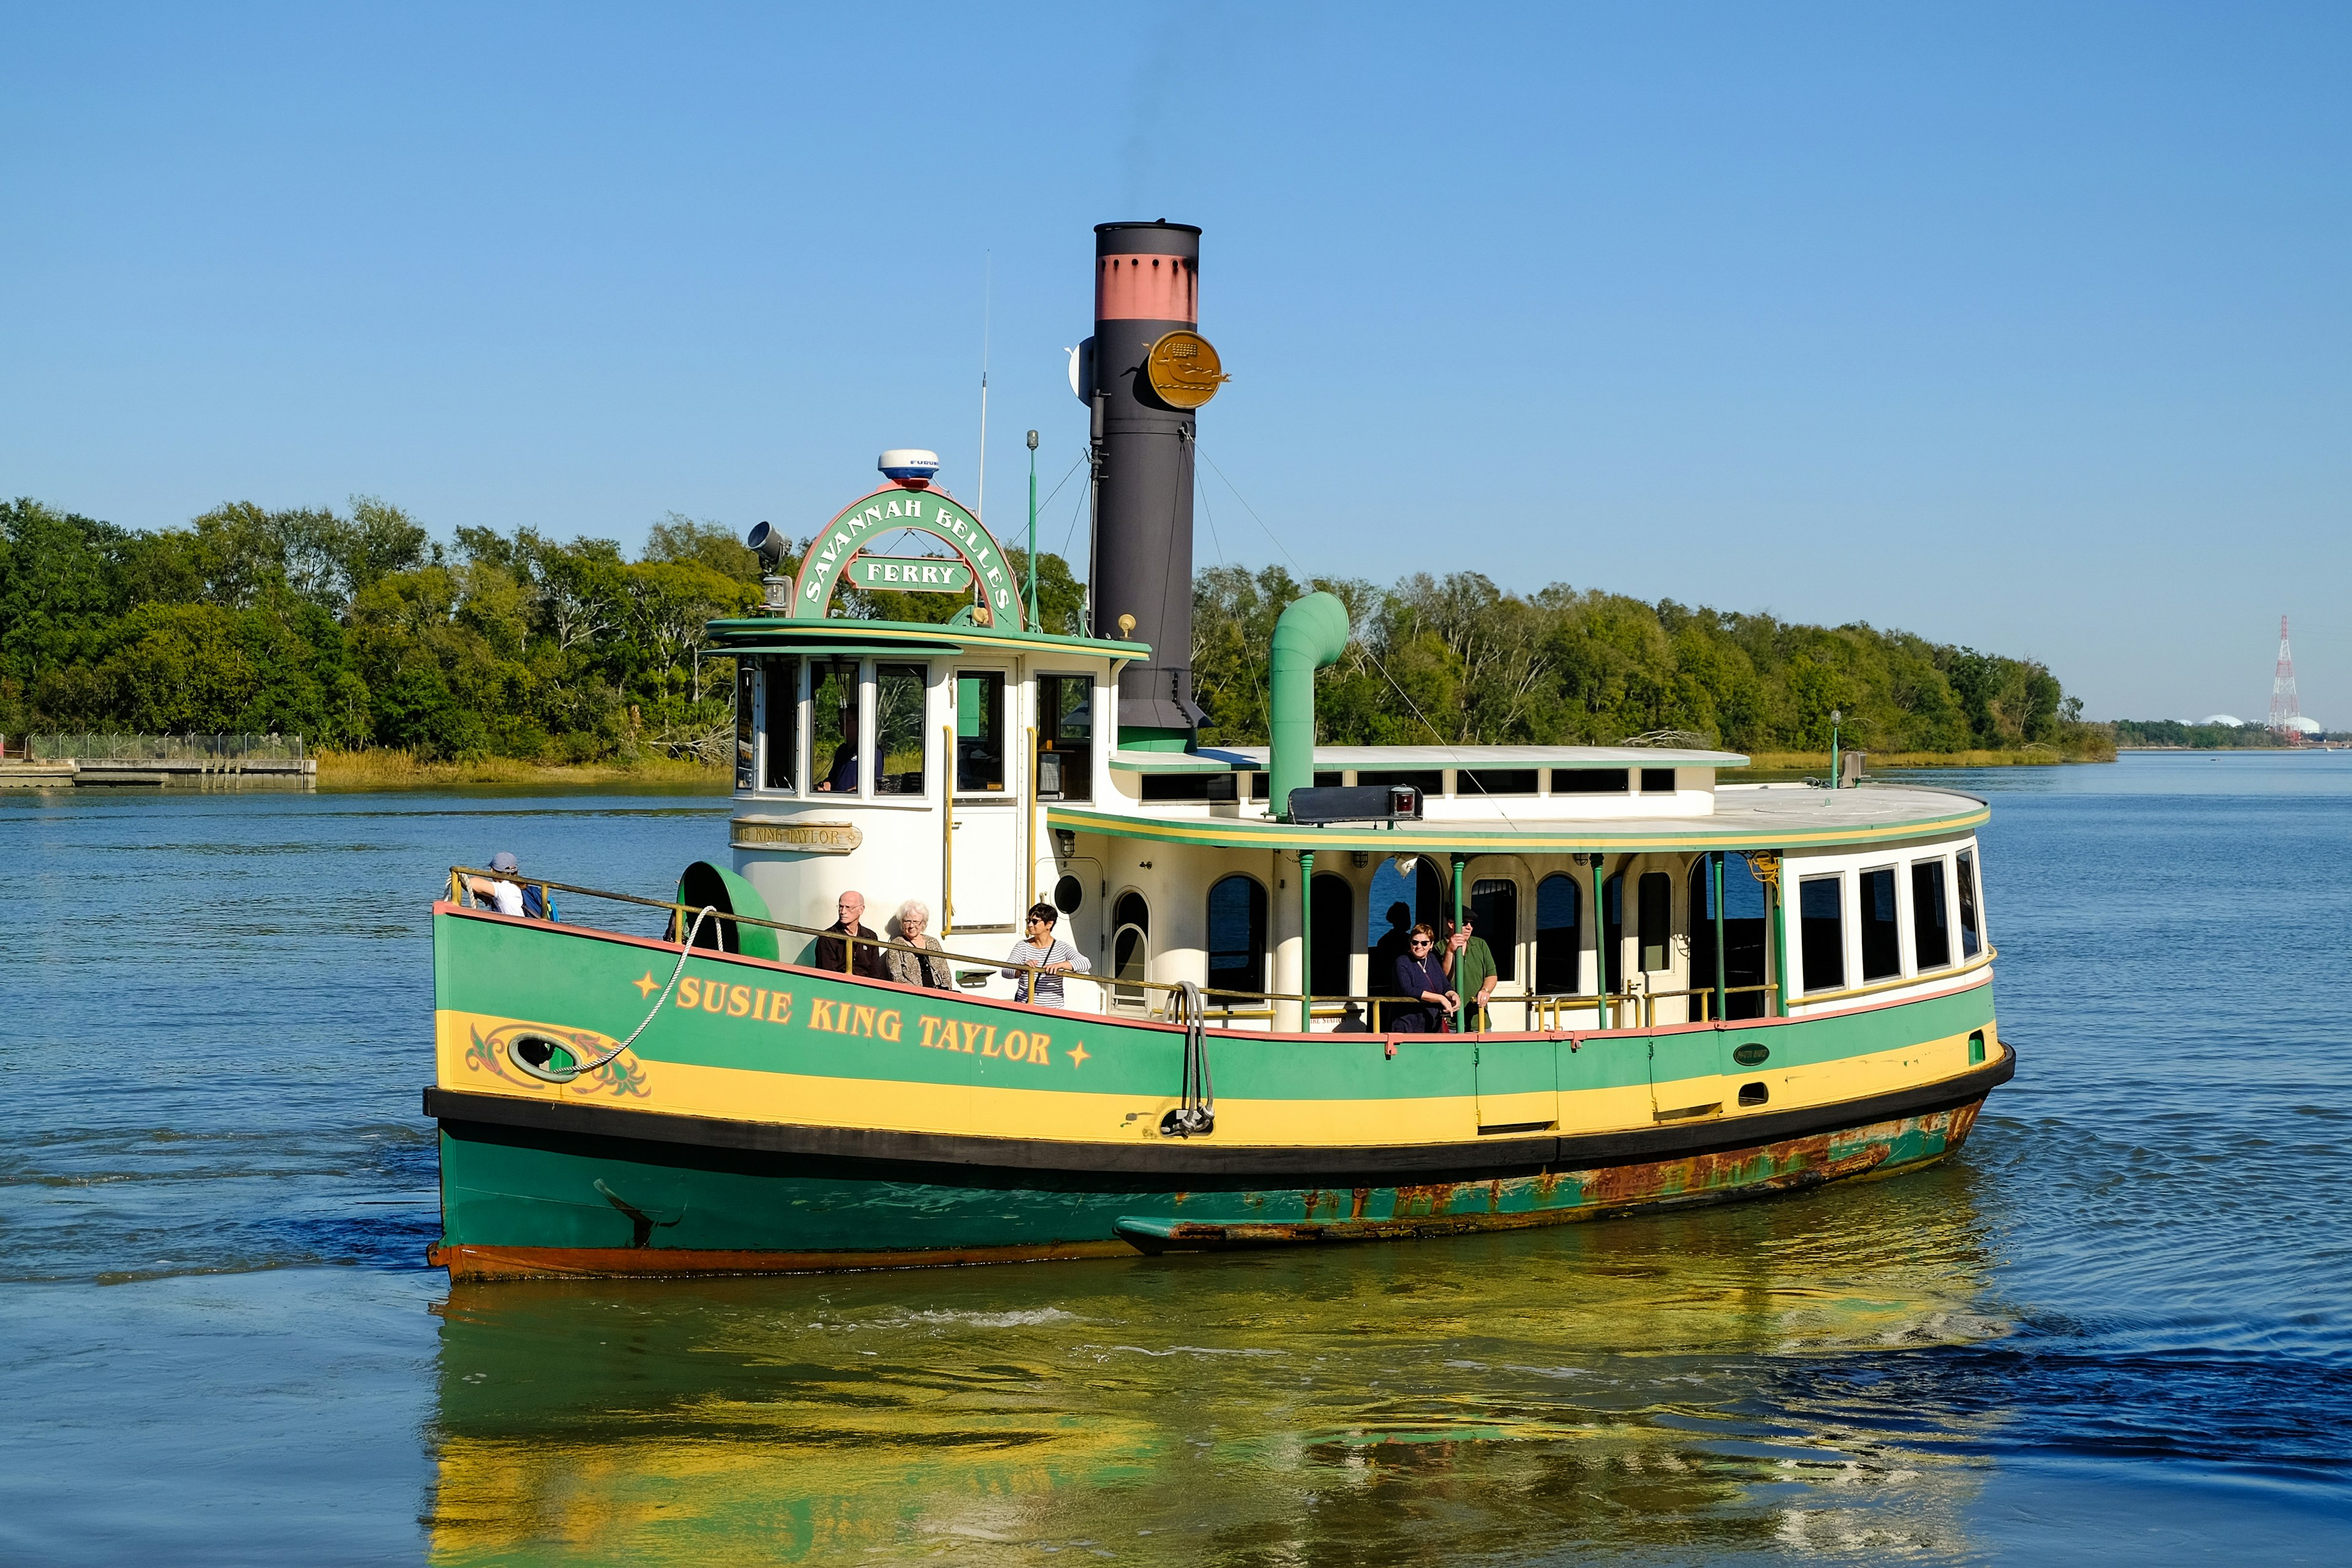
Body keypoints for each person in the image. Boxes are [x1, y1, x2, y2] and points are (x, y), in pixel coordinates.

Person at [1002, 903, 1091, 1006]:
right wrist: (1021, 969)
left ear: (1049, 924)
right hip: (1025, 1009)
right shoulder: (1022, 946)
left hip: (1052, 1010)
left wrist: (1060, 965)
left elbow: (1086, 963)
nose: (1030, 925)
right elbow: (1005, 971)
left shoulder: (1061, 948)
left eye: (1035, 921)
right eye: (1029, 921)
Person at [1389, 923, 1458, 1034]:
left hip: (1433, 1024)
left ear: (1431, 945)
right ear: (1410, 943)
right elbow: (1407, 990)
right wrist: (1440, 998)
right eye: (1415, 942)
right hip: (1407, 1025)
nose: (1419, 946)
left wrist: (1452, 995)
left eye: (1424, 943)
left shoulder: (1433, 959)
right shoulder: (1402, 962)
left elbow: (1445, 985)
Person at [1442, 914, 1499, 1032]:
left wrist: (1485, 991)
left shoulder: (1481, 944)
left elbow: (1491, 975)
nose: (1469, 927)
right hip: (1451, 1022)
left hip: (1480, 1020)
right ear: (1451, 924)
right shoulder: (1439, 948)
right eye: (1464, 923)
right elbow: (1444, 979)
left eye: (1471, 924)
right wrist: (1449, 951)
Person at [813, 891, 886, 979]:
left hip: (866, 988)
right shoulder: (828, 938)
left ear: (861, 910)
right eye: (841, 907)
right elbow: (828, 976)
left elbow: (875, 973)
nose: (843, 912)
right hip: (838, 987)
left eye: (848, 907)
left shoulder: (871, 936)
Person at [884, 899, 955, 990]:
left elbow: (946, 973)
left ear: (923, 924)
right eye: (907, 921)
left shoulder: (933, 942)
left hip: (939, 994)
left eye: (916, 922)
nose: (912, 926)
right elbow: (897, 977)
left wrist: (944, 991)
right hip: (913, 997)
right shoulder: (895, 946)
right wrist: (920, 992)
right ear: (902, 923)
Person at [1366, 899, 1414, 1027]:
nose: (1409, 920)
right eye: (1406, 916)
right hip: (1392, 988)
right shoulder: (1407, 942)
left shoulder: (1384, 940)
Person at [466, 851, 526, 917]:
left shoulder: (504, 888)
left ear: (492, 870)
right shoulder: (520, 887)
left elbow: (472, 883)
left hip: (513, 925)